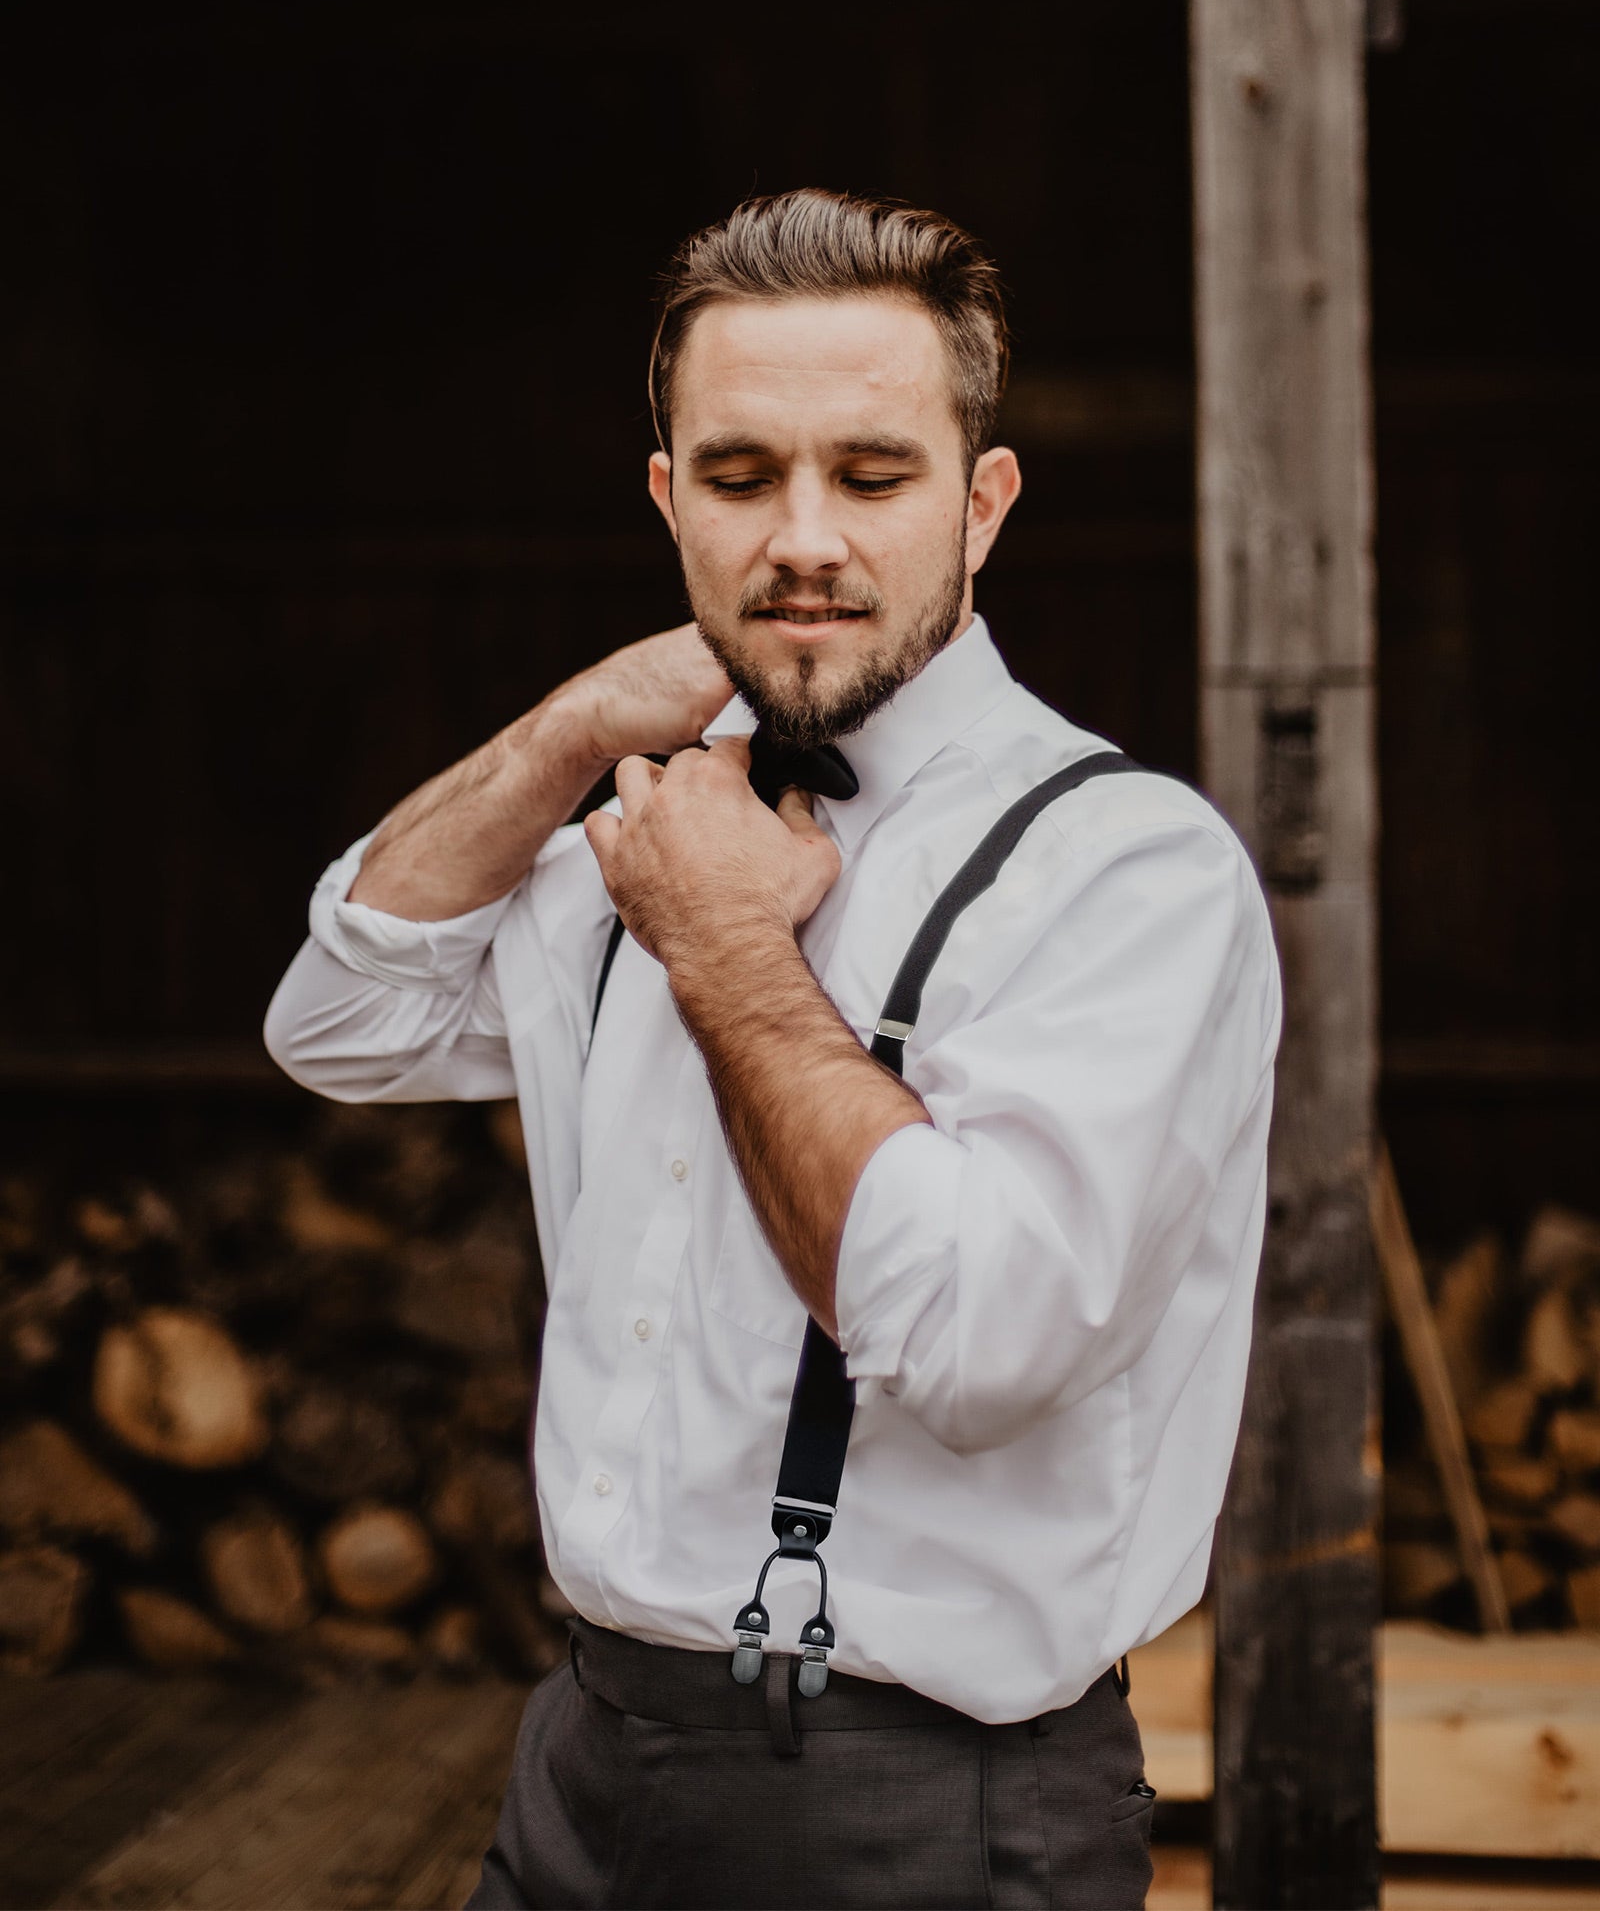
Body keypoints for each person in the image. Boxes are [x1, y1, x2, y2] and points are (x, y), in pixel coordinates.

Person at [264, 188, 1281, 1909]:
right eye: (741, 477)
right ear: (669, 501)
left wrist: (731, 950)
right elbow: (339, 1021)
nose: (802, 536)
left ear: (983, 504)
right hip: (584, 1758)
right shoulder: (647, 813)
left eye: (871, 476)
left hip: (923, 1810)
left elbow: (974, 1339)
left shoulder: (1129, 869)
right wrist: (580, 723)